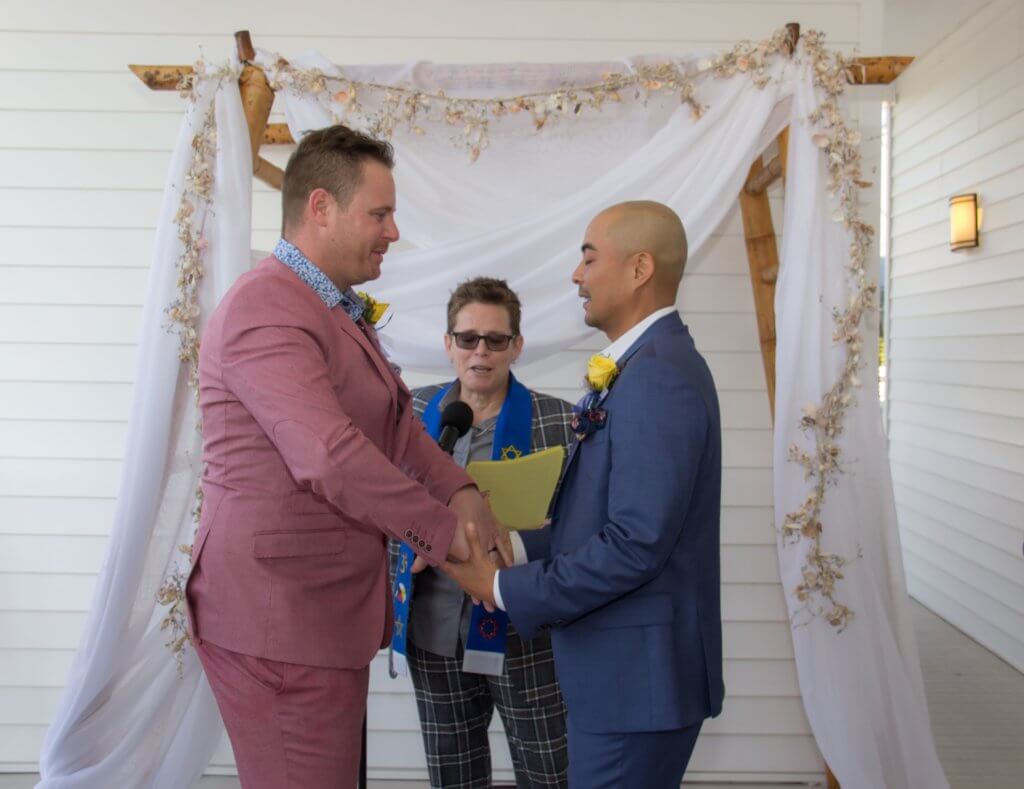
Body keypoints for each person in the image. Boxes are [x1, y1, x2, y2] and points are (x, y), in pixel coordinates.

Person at [185, 125, 502, 789]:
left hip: (321, 616)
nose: (392, 232)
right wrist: (450, 542)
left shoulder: (333, 307)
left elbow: (397, 430)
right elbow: (329, 457)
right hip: (280, 619)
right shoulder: (265, 306)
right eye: (379, 214)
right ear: (321, 207)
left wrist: (462, 491)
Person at [444, 201, 724, 788]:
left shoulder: (658, 376)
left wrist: (497, 585)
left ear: (640, 268)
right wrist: (513, 547)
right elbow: (600, 522)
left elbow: (634, 545)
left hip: (635, 684)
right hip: (622, 680)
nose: (576, 275)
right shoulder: (642, 365)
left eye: (589, 258)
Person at [392, 277, 574, 788]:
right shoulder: (411, 413)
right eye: (468, 338)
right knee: (453, 778)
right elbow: (377, 499)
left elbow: (581, 529)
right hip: (434, 631)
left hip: (522, 634)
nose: (481, 352)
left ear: (516, 346)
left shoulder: (560, 421)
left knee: (550, 774)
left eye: (496, 340)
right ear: (447, 343)